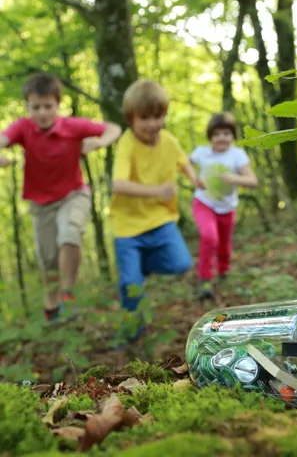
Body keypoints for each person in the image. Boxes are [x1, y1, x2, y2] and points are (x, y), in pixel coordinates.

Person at [0, 72, 122, 321]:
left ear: (57, 105)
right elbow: (3, 138)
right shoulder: (23, 127)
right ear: (27, 106)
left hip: (73, 194)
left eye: (48, 106)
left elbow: (114, 128)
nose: (42, 112)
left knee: (69, 233)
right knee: (48, 260)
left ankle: (68, 294)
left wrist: (99, 144)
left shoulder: (73, 126)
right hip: (41, 203)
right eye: (36, 107)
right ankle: (53, 306)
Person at [110, 79, 199, 339]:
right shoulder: (127, 143)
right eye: (145, 118)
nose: (152, 124)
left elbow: (183, 162)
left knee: (181, 263)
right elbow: (118, 184)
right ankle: (131, 333)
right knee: (131, 284)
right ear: (131, 118)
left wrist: (195, 179)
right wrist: (157, 191)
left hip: (160, 219)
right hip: (127, 226)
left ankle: (143, 264)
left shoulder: (168, 141)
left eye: (158, 116)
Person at [190, 112, 258, 300]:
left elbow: (253, 180)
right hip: (204, 202)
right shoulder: (201, 152)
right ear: (210, 136)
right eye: (217, 134)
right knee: (209, 236)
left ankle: (223, 269)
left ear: (232, 136)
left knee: (224, 244)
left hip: (227, 207)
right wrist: (194, 179)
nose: (222, 138)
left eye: (226, 134)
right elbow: (183, 165)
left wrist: (234, 178)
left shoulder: (237, 155)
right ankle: (205, 278)